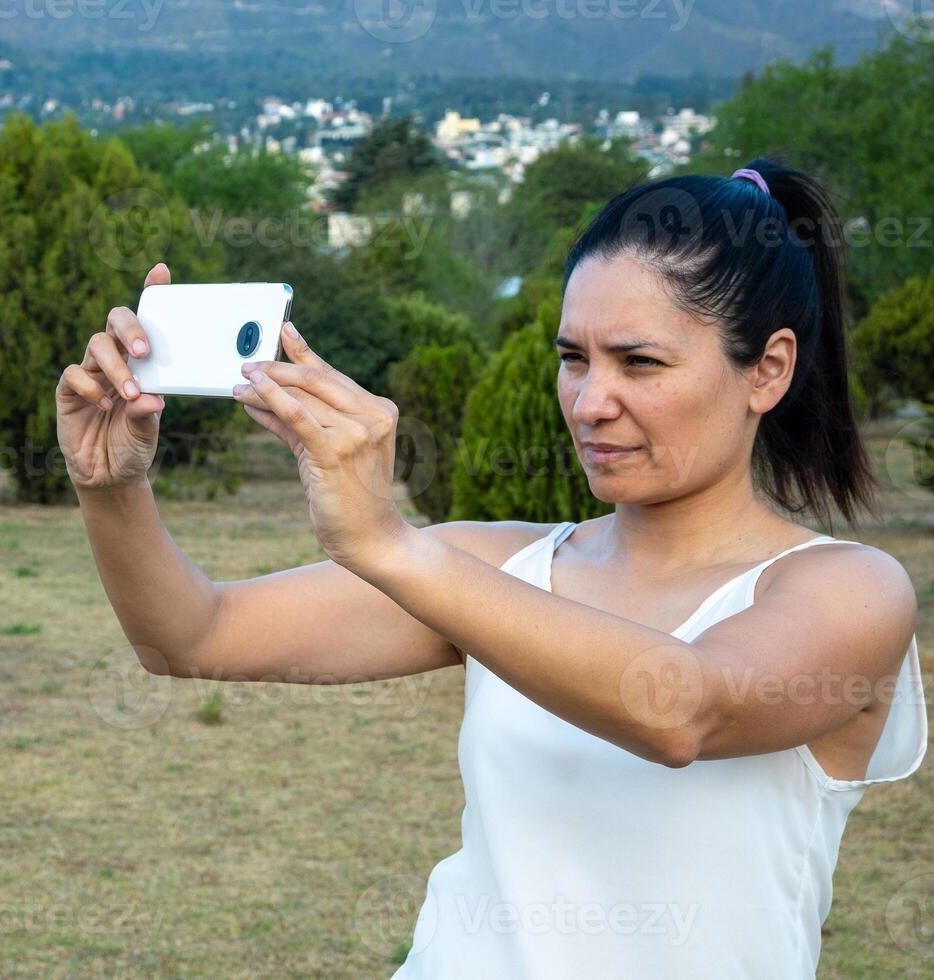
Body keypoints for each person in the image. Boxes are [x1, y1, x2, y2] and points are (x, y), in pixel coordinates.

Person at [54, 157, 927, 977]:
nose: (590, 402)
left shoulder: (848, 591)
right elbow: (191, 635)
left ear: (767, 370)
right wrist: (111, 487)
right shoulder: (495, 565)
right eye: (572, 358)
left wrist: (389, 543)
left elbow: (683, 712)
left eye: (641, 362)